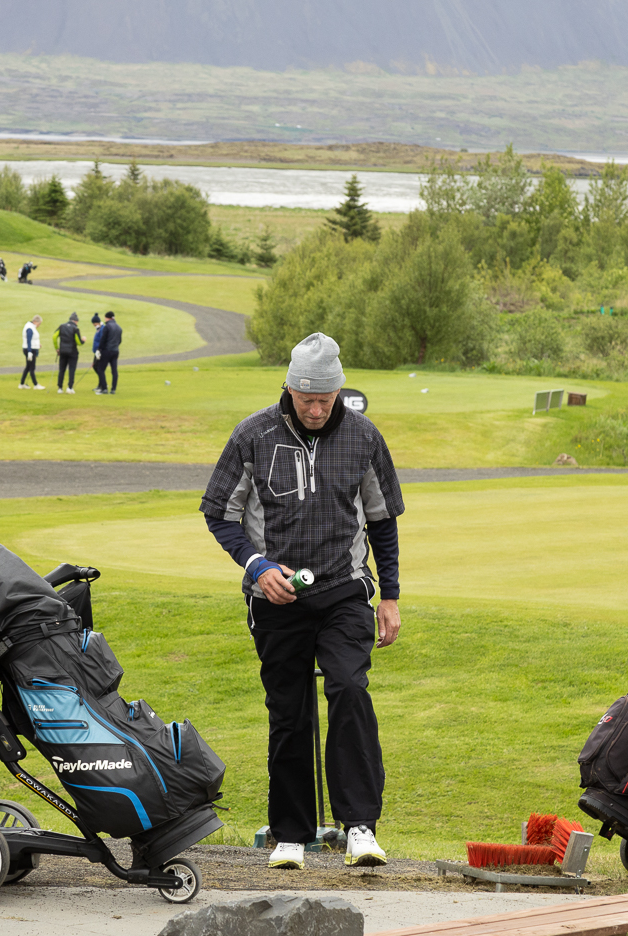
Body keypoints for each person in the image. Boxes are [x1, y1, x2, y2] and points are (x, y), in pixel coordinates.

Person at [199, 332, 404, 870]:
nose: (316, 409)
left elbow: (382, 521)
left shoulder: (364, 437)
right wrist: (257, 566)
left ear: (339, 392)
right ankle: (290, 835)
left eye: (325, 399)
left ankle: (359, 828)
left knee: (349, 690)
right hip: (275, 596)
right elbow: (219, 512)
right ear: (289, 388)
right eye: (307, 399)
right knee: (288, 712)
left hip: (344, 590)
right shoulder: (253, 435)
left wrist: (390, 596)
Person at [55, 311, 84, 394]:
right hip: (72, 352)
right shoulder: (75, 329)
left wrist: (57, 348)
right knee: (72, 370)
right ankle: (70, 387)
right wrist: (83, 340)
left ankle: (60, 388)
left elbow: (54, 337)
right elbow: (78, 342)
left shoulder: (61, 326)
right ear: (76, 321)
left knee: (61, 369)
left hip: (62, 351)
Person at [99, 310, 122, 394]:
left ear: (107, 318)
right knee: (114, 371)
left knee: (101, 369)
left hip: (107, 351)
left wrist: (99, 349)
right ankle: (113, 389)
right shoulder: (119, 327)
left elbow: (103, 340)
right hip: (115, 351)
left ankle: (104, 388)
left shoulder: (107, 327)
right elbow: (119, 341)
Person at [20, 315, 45, 390]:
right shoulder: (30, 328)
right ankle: (36, 385)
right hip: (30, 350)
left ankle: (22, 384)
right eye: (39, 323)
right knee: (32, 367)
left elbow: (33, 339)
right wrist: (29, 352)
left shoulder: (31, 327)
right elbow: (29, 340)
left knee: (28, 367)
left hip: (30, 349)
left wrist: (37, 345)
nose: (39, 325)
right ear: (35, 321)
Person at [90, 313, 108, 394]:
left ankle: (102, 384)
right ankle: (101, 384)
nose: (94, 325)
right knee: (95, 367)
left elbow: (102, 340)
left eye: (94, 324)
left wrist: (99, 350)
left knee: (98, 368)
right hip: (96, 352)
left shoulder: (102, 329)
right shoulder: (98, 329)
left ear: (97, 322)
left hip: (100, 351)